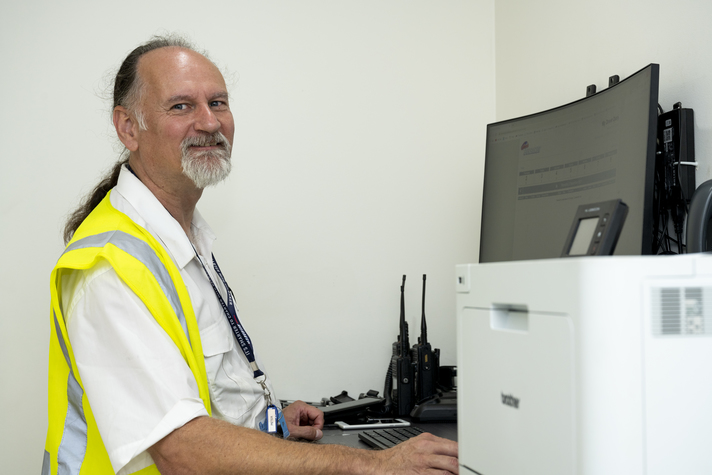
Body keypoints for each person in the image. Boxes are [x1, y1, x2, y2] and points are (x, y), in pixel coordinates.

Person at [43, 35, 459, 475]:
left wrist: (269, 419)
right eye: (181, 106)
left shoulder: (182, 238)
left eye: (218, 102)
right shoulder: (110, 268)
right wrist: (369, 465)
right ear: (129, 127)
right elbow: (182, 449)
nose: (209, 122)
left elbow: (199, 392)